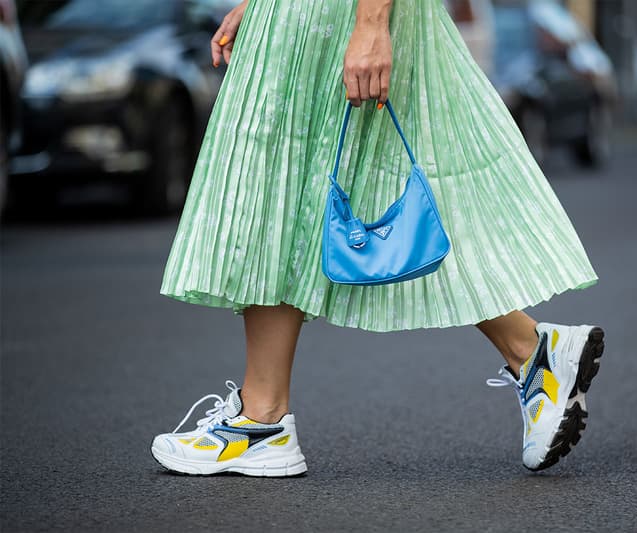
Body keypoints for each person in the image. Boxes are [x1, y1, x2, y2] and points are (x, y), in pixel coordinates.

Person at [151, 0, 604, 477]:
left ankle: (260, 420)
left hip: (341, 15)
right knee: (293, 197)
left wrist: (371, 22)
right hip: (305, 16)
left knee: (289, 186)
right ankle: (532, 353)